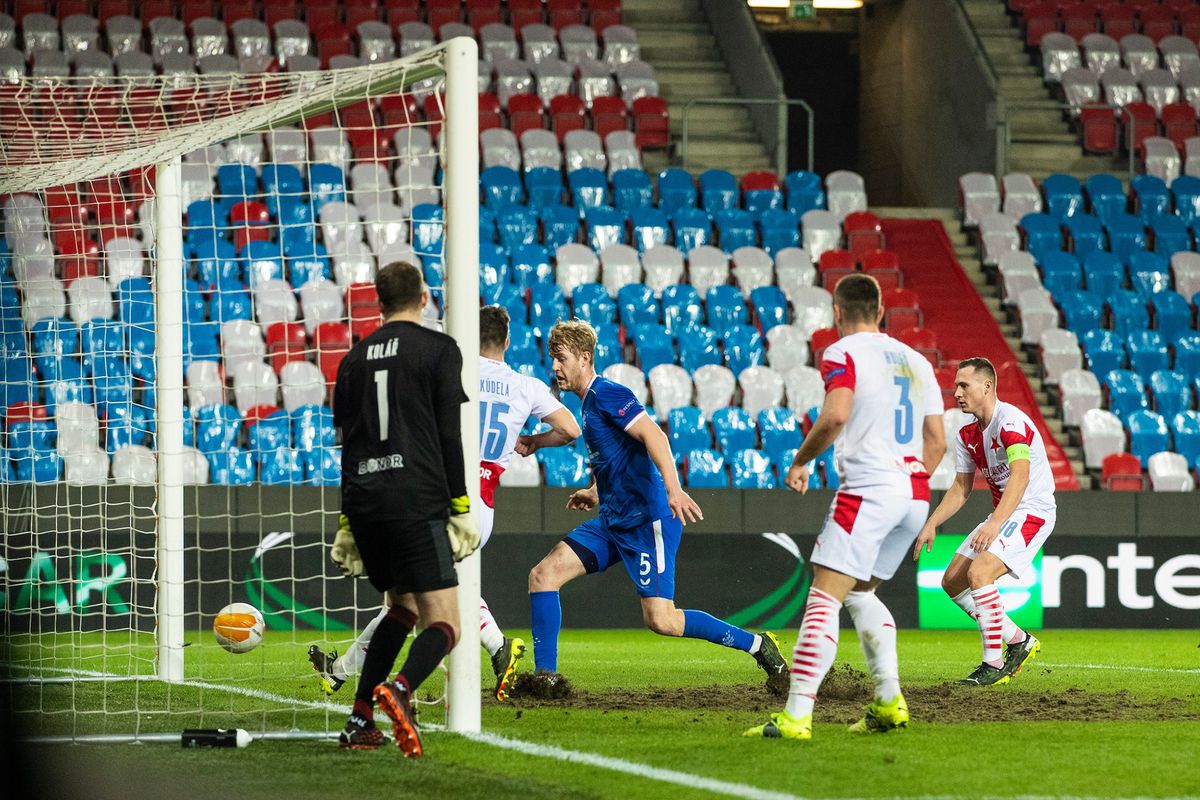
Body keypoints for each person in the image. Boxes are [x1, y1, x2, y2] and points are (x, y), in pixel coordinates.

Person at [309, 304, 581, 702]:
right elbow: (572, 429)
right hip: (484, 503)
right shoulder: (526, 386)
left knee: (415, 594)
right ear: (507, 341)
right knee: (418, 593)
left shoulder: (451, 371)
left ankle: (497, 646)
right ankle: (339, 672)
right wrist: (534, 441)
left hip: (443, 495)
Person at [523, 319, 787, 691]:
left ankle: (759, 645)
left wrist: (674, 488)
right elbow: (615, 456)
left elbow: (653, 434)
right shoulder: (587, 405)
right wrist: (595, 491)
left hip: (648, 521)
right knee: (543, 575)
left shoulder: (608, 393)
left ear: (584, 358)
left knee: (662, 620)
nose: (555, 367)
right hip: (613, 520)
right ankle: (545, 679)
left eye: (561, 358)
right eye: (552, 358)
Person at [745, 274, 945, 742]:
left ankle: (795, 716)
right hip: (914, 495)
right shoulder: (918, 361)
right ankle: (889, 702)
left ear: (837, 313)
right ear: (880, 312)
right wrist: (907, 478)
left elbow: (835, 415)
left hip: (869, 490)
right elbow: (936, 440)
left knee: (824, 596)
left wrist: (800, 461)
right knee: (857, 593)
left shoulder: (841, 352)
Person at [328, 261, 479, 755]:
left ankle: (359, 718)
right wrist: (460, 504)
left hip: (367, 502)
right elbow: (448, 434)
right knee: (448, 624)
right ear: (423, 297)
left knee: (403, 607)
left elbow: (346, 444)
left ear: (379, 301)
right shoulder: (438, 349)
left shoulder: (352, 359)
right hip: (415, 499)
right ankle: (399, 688)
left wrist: (348, 522)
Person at [912, 357, 1052, 686]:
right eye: (956, 386)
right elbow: (962, 487)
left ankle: (992, 664)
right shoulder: (967, 435)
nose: (956, 392)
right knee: (952, 581)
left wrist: (995, 524)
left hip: (1032, 509)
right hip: (1004, 513)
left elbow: (1020, 477)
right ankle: (1018, 639)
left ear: (987, 387)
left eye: (964, 385)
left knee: (979, 573)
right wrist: (932, 522)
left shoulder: (1010, 422)